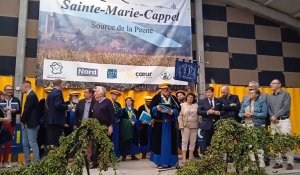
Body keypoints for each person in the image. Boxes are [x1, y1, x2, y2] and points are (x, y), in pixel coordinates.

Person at [150, 82, 180, 168]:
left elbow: (178, 108)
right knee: (159, 143)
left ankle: (171, 162)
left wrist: (172, 112)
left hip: (170, 124)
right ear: (161, 90)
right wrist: (157, 108)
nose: (165, 91)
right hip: (160, 125)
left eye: (167, 89)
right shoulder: (156, 97)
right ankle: (159, 162)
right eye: (163, 89)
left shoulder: (173, 98)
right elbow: (152, 109)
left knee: (171, 144)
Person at [267, 79, 294, 170]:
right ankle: (278, 162)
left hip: (283, 121)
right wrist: (272, 117)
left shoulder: (285, 94)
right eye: (271, 83)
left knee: (287, 142)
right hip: (273, 122)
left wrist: (276, 116)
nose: (271, 84)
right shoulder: (270, 97)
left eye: (273, 83)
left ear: (279, 85)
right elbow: (269, 109)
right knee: (275, 142)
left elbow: (286, 107)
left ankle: (290, 162)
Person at [239, 89, 267, 168]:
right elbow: (240, 113)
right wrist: (245, 114)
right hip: (247, 125)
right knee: (249, 144)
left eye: (251, 93)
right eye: (249, 93)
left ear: (257, 95)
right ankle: (253, 161)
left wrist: (253, 114)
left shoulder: (262, 102)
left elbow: (264, 114)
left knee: (259, 144)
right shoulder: (245, 102)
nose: (249, 94)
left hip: (258, 125)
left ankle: (261, 162)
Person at [90, 86, 114, 168]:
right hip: (96, 127)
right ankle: (95, 162)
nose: (95, 93)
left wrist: (111, 126)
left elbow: (112, 115)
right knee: (95, 144)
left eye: (96, 92)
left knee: (104, 145)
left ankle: (105, 162)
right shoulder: (96, 102)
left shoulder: (108, 102)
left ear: (101, 93)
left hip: (105, 127)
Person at [197, 87, 224, 155]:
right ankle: (205, 158)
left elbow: (223, 111)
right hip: (206, 125)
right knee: (205, 142)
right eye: (206, 92)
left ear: (213, 92)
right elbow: (199, 112)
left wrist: (218, 113)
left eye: (209, 92)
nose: (208, 94)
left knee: (217, 142)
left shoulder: (219, 101)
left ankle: (216, 157)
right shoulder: (202, 101)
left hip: (217, 124)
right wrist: (208, 112)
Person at [0, 85, 21, 167]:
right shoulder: (1, 99)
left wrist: (14, 110)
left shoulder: (16, 99)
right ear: (4, 90)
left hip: (11, 124)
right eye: (8, 89)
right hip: (1, 124)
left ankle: (5, 162)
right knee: (0, 144)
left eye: (11, 89)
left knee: (8, 143)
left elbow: (19, 111)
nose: (10, 91)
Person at [21, 80, 40, 164]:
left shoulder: (32, 95)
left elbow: (27, 110)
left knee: (32, 142)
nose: (21, 89)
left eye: (22, 87)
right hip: (27, 123)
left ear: (26, 87)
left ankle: (37, 162)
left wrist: (22, 120)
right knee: (25, 143)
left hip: (31, 124)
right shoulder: (29, 95)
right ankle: (27, 162)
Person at [178, 93, 200, 164]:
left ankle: (191, 157)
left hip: (195, 125)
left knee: (193, 142)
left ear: (193, 99)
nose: (190, 98)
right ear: (186, 98)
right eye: (189, 97)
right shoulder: (182, 105)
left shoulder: (196, 106)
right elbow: (179, 117)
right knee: (184, 141)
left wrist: (200, 122)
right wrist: (181, 125)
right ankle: (184, 157)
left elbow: (199, 116)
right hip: (185, 126)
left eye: (191, 97)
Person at [46, 79, 69, 147]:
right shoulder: (58, 92)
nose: (63, 86)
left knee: (51, 140)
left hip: (51, 119)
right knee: (57, 140)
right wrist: (68, 106)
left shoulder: (51, 93)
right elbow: (58, 105)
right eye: (62, 84)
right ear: (60, 84)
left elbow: (49, 105)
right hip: (57, 120)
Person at [120, 96, 140, 161]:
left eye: (129, 100)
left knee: (133, 141)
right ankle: (124, 155)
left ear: (132, 102)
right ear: (125, 102)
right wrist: (129, 122)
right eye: (127, 100)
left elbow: (138, 118)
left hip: (134, 128)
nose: (128, 101)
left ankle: (133, 155)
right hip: (126, 129)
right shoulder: (123, 110)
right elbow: (121, 119)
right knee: (126, 141)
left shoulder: (135, 110)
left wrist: (135, 122)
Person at [37, 87, 52, 158]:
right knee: (41, 140)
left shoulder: (55, 101)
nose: (48, 94)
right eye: (47, 93)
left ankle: (48, 155)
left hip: (51, 124)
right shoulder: (42, 101)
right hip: (42, 125)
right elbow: (39, 112)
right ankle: (41, 155)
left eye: (50, 93)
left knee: (49, 140)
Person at [110, 90, 122, 159]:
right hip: (109, 123)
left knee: (116, 140)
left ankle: (115, 156)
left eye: (117, 95)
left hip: (116, 123)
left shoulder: (118, 104)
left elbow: (120, 114)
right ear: (111, 95)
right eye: (114, 95)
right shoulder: (108, 102)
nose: (116, 96)